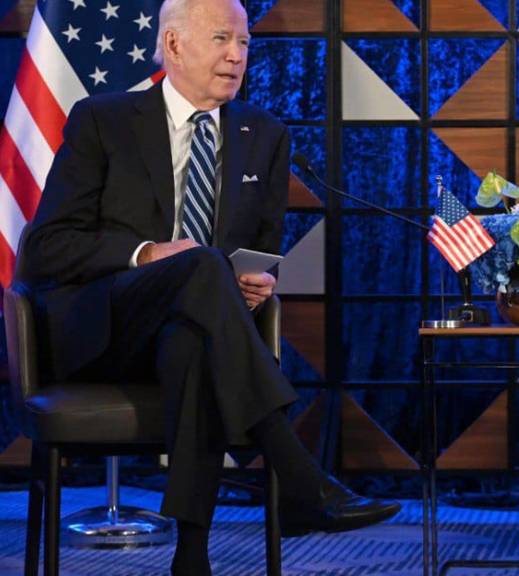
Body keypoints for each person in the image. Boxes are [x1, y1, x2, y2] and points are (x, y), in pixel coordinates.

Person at [17, 0, 399, 573]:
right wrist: (148, 253)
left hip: (199, 327)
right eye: (222, 38)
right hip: (105, 328)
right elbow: (47, 247)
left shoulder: (264, 134)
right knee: (199, 266)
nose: (237, 55)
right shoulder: (103, 120)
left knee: (192, 338)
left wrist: (258, 281)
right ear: (173, 45)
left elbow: (262, 250)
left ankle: (191, 558)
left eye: (244, 43)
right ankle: (297, 475)